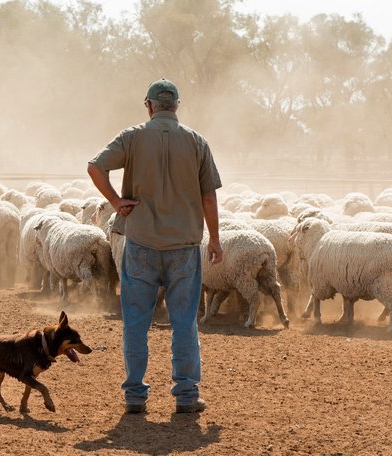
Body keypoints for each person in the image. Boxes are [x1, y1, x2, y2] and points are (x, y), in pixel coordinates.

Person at [87, 78, 223, 414]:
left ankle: (135, 396)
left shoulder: (132, 137)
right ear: (176, 105)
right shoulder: (196, 142)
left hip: (142, 244)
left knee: (135, 322)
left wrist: (117, 201)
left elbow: (94, 166)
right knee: (183, 322)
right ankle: (187, 396)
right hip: (184, 246)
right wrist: (216, 238)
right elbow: (208, 195)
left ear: (148, 105)